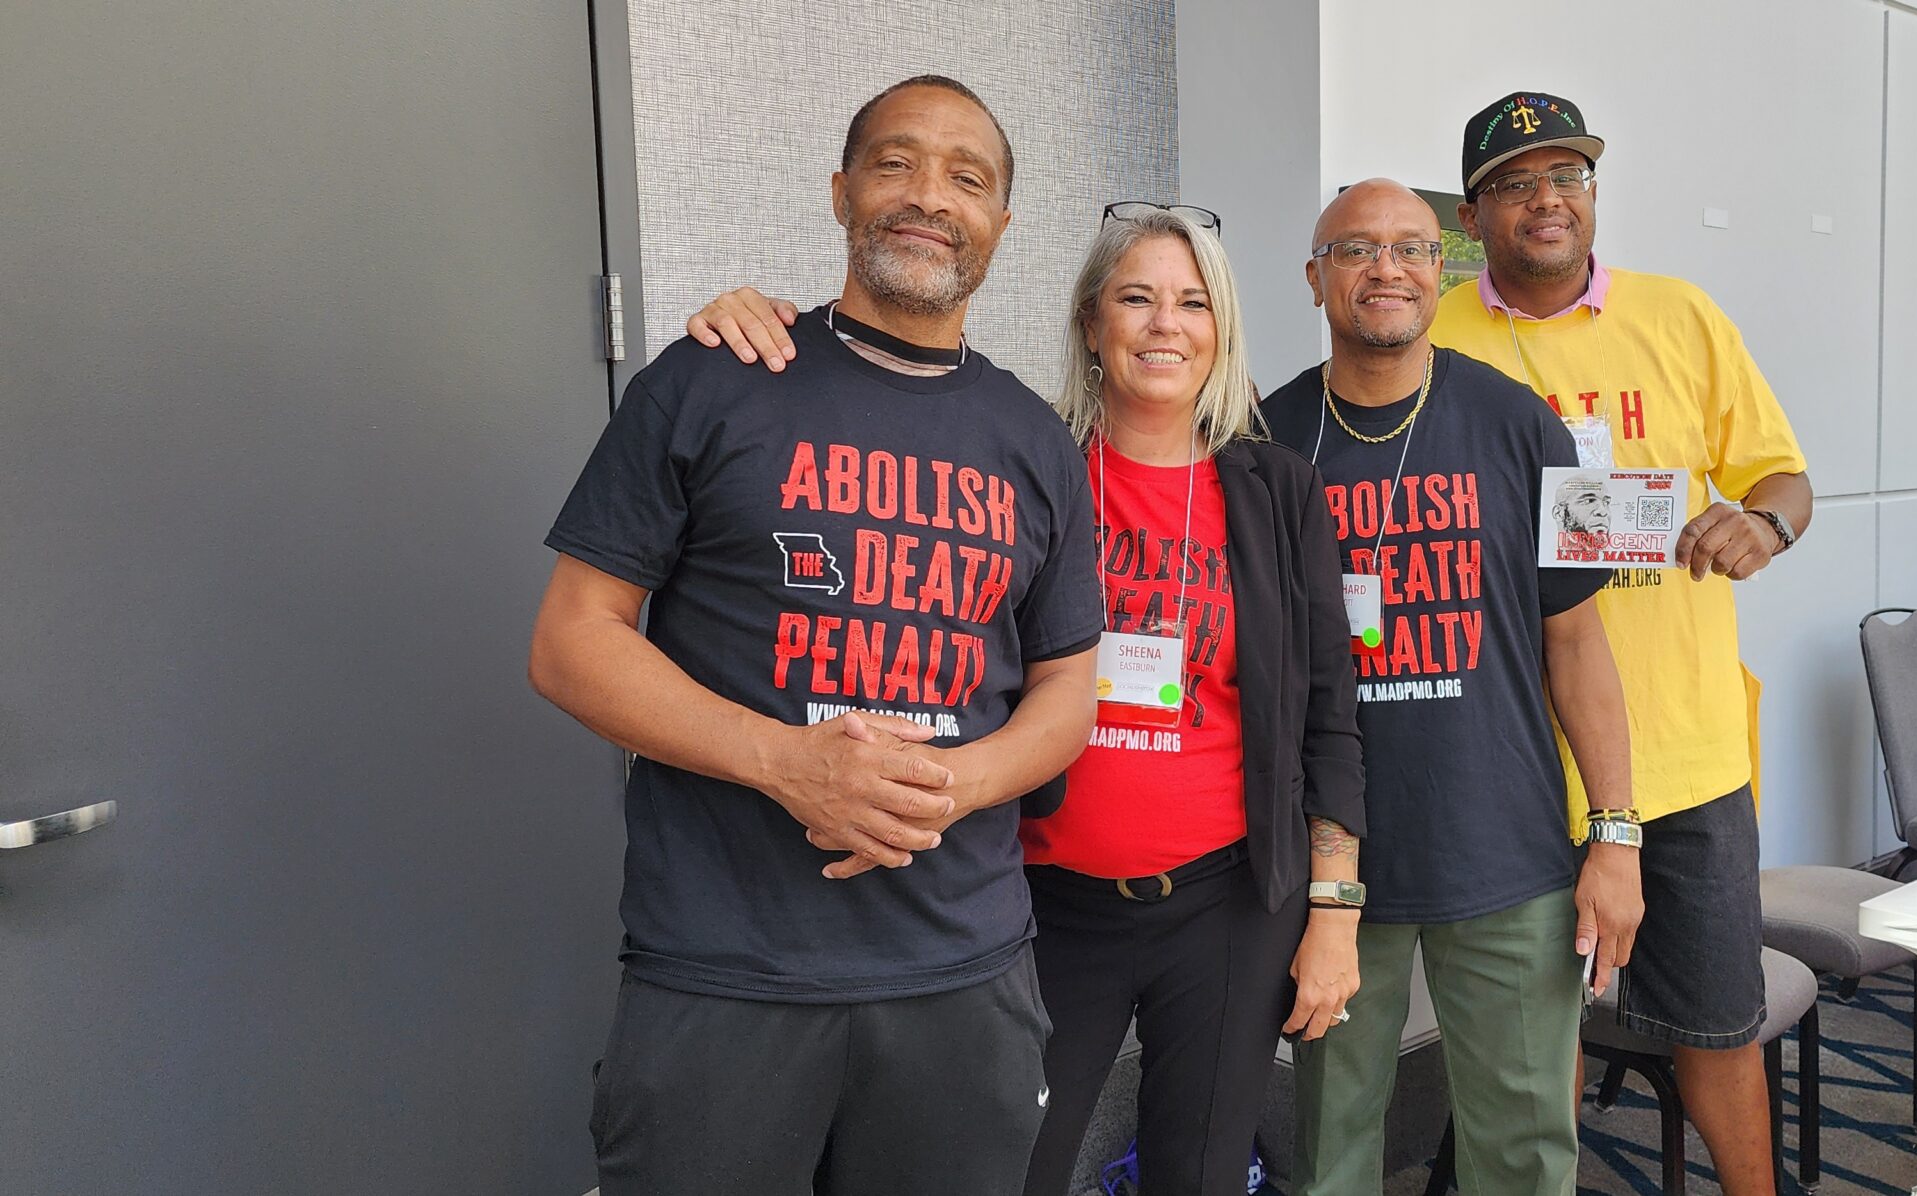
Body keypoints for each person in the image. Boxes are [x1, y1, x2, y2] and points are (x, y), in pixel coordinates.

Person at [676, 204, 1369, 1196]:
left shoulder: (1274, 487)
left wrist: (1334, 906)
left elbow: (1327, 705)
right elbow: (880, 449)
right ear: (1091, 321)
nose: (1164, 324)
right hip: (1038, 903)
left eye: (1191, 301)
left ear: (1220, 329)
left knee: (1205, 1171)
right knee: (1006, 1165)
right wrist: (764, 341)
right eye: (1136, 297)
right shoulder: (1018, 457)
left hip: (1226, 905)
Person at [527, 75, 1103, 1195]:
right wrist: (786, 761)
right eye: (893, 163)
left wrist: (959, 780)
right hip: (725, 969)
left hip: (962, 973)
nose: (928, 195)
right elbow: (570, 639)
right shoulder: (714, 378)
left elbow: (1067, 693)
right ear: (841, 192)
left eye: (966, 177)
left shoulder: (1036, 440)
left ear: (1001, 222)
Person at [1429, 90, 1815, 1196]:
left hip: (1685, 757)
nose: (1546, 199)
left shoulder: (1681, 315)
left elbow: (1780, 475)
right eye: (1515, 182)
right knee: (1529, 1047)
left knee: (1715, 1028)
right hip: (1506, 765)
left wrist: (1763, 522)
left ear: (1592, 194)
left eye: (1567, 175)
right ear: (1473, 214)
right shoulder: (1437, 331)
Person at [1267, 179, 1638, 1196]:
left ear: (1443, 272)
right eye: (1353, 248)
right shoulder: (1260, 439)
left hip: (1506, 856)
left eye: (1409, 248)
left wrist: (1615, 831)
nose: (1384, 267)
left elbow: (1578, 645)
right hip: (1326, 864)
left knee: (1523, 1151)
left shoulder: (1525, 425)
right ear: (1314, 277)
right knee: (1329, 1144)